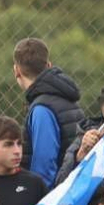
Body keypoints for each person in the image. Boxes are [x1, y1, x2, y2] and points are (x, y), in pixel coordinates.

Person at [12, 37, 84, 186]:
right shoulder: (66, 97)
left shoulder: (41, 109)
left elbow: (44, 169)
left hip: (57, 198)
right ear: (49, 65)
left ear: (17, 70)